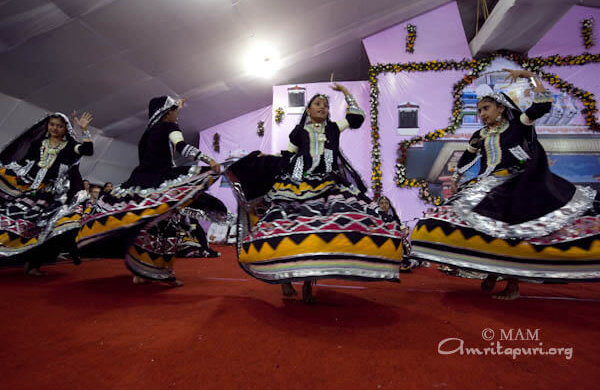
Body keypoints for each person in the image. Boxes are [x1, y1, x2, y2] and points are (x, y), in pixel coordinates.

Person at [411, 69, 600, 300]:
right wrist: (457, 176)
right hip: (487, 183)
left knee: (511, 231)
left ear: (500, 108)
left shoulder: (517, 125)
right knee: (466, 223)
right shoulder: (479, 135)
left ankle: (512, 283)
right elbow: (467, 158)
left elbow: (541, 106)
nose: (482, 114)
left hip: (515, 183)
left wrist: (530, 76)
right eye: (479, 110)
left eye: (486, 108)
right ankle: (493, 269)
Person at [226, 84, 405, 303]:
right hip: (297, 186)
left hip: (329, 186)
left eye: (326, 105)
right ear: (308, 110)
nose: (323, 107)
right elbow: (287, 157)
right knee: (288, 229)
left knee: (321, 232)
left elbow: (357, 117)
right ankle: (285, 280)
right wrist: (265, 157)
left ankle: (310, 283)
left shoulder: (334, 128)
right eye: (318, 104)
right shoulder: (298, 132)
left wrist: (346, 93)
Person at [76, 96, 224, 286]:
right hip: (161, 181)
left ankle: (141, 272)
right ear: (167, 112)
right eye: (175, 112)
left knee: (145, 226)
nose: (177, 116)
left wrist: (176, 106)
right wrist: (208, 159)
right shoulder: (170, 127)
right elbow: (181, 147)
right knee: (167, 226)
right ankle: (164, 273)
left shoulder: (146, 135)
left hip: (139, 182)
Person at [0, 112, 94, 275]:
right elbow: (25, 163)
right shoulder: (39, 143)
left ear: (65, 128)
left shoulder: (71, 146)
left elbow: (88, 150)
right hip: (31, 191)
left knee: (49, 229)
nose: (55, 128)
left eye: (59, 126)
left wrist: (84, 130)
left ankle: (33, 264)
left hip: (53, 195)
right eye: (52, 125)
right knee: (14, 221)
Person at [375, 196, 416, 272]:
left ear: (389, 206)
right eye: (381, 203)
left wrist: (404, 231)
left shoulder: (392, 217)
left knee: (403, 240)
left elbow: (400, 226)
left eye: (386, 203)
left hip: (394, 240)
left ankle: (403, 262)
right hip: (380, 239)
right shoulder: (375, 216)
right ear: (378, 205)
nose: (384, 205)